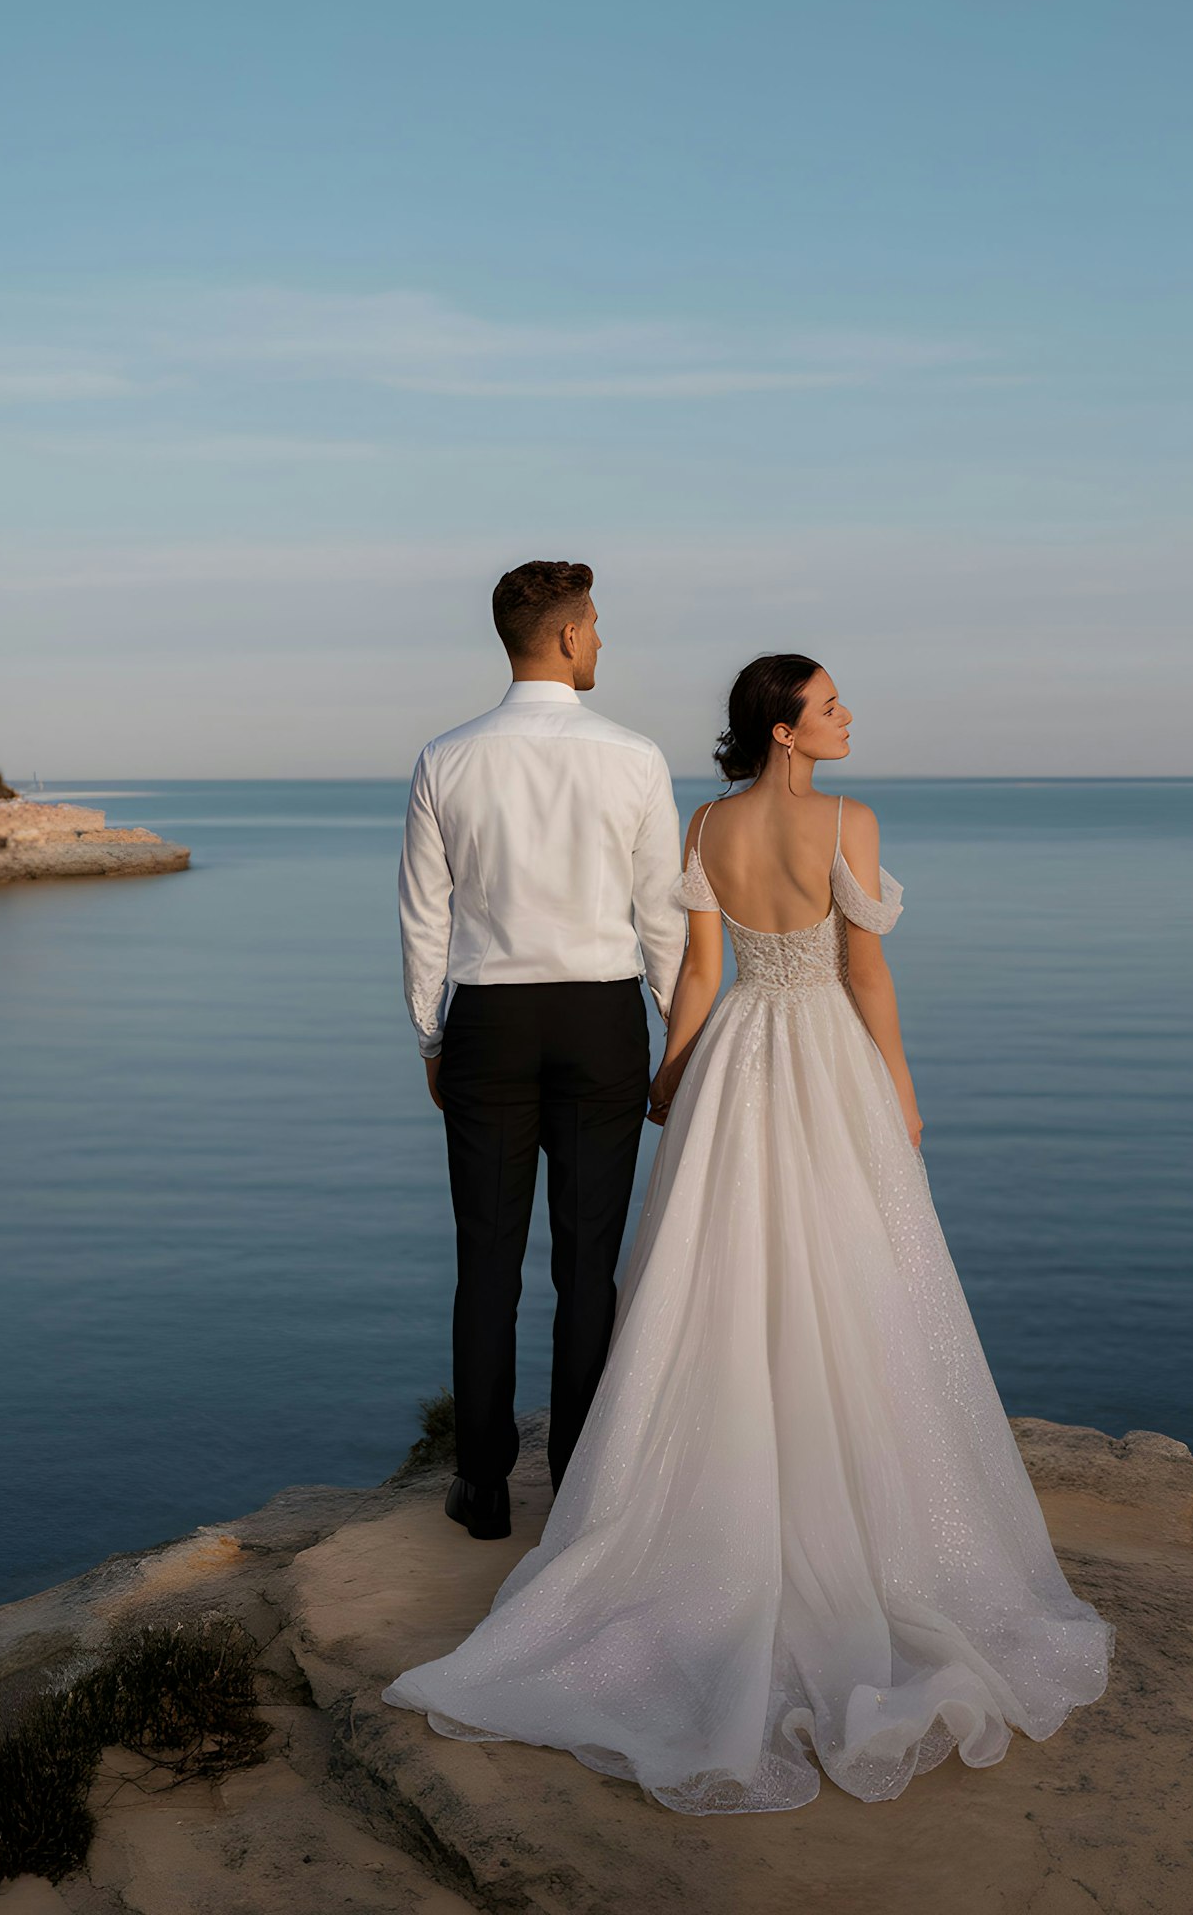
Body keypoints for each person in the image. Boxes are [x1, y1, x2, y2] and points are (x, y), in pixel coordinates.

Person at [385, 653, 1114, 1813]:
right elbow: (866, 973)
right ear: (785, 728)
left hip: (736, 1061)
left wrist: (675, 1073)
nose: (848, 716)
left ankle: (671, 1488)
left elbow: (699, 974)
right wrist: (904, 1092)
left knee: (706, 1282)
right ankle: (830, 1487)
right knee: (848, 1276)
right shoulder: (848, 822)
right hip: (825, 1055)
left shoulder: (707, 824)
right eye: (830, 705)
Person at [397, 559, 683, 1538]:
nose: (600, 638)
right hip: (602, 1020)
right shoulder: (636, 757)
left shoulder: (445, 758)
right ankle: (580, 1486)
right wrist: (675, 1036)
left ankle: (480, 1486)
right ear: (565, 637)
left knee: (487, 1262)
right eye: (594, 624)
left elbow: (422, 922)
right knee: (587, 1265)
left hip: (488, 1020)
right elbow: (664, 922)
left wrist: (432, 1036)